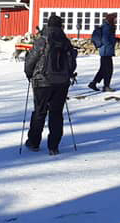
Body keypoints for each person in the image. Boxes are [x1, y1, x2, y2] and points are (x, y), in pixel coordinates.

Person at [24, 14, 77, 155]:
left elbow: (31, 60)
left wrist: (29, 74)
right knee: (56, 113)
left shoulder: (42, 40)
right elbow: (72, 63)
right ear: (61, 26)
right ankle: (53, 146)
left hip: (42, 82)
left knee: (39, 112)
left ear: (48, 25)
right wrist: (67, 75)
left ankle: (34, 142)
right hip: (61, 83)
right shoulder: (65, 42)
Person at [88, 13, 120, 92]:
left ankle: (93, 83)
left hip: (106, 51)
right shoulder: (107, 27)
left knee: (103, 69)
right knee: (109, 70)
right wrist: (110, 44)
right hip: (106, 51)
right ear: (111, 19)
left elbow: (109, 37)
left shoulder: (108, 26)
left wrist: (116, 39)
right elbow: (105, 39)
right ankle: (106, 86)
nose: (116, 20)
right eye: (115, 18)